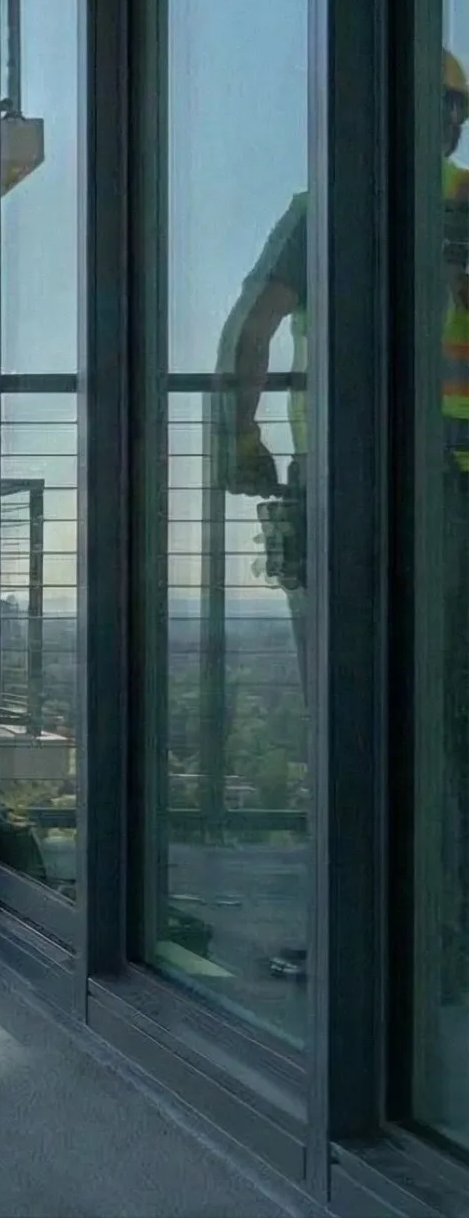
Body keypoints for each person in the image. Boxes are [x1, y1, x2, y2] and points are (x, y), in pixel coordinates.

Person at [217, 48, 469, 985]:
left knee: (351, 715)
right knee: (447, 720)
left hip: (353, 482)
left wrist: (242, 444)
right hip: (453, 484)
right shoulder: (461, 203)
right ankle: (440, 946)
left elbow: (249, 331)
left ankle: (359, 952)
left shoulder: (326, 206)